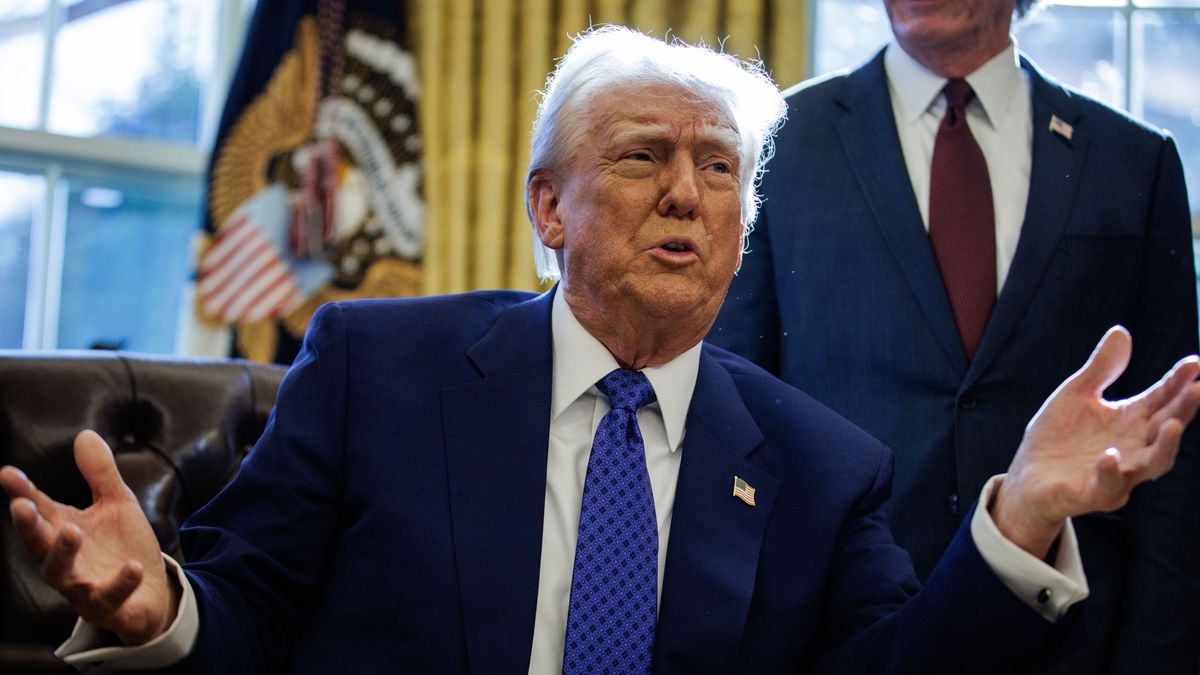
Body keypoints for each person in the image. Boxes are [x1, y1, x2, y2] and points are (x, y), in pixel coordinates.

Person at [3, 27, 1199, 674]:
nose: (687, 192)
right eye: (640, 157)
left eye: (719, 167)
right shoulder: (377, 367)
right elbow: (247, 609)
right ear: (549, 211)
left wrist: (1024, 518)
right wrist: (160, 607)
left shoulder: (822, 466)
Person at [708, 0, 1199, 671]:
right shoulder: (776, 144)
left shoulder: (1133, 162)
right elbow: (734, 418)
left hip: (1073, 636)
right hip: (844, 632)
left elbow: (1174, 450)